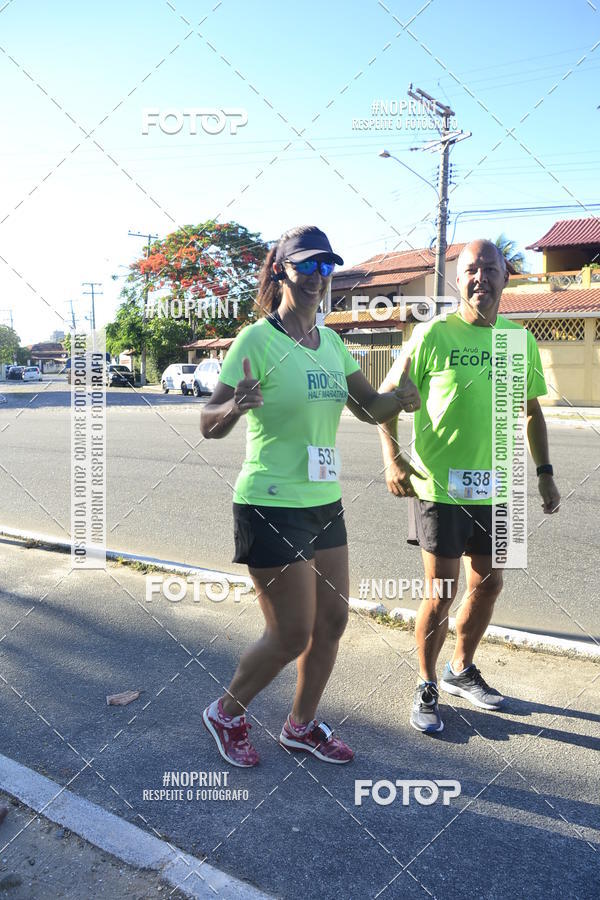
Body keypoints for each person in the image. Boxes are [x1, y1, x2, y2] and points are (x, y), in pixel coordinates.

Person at [200, 225, 421, 766]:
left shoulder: (333, 344)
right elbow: (208, 422)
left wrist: (401, 399)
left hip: (323, 501)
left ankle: (299, 726)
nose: (320, 276)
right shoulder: (257, 340)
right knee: (291, 632)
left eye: (327, 267)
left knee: (332, 622)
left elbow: (367, 407)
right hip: (270, 502)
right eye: (309, 265)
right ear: (282, 270)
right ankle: (226, 711)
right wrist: (233, 409)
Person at [378, 239, 560, 734]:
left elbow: (531, 411)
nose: (481, 277)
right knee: (441, 590)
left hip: (504, 486)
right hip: (441, 487)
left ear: (507, 276)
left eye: (491, 268)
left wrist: (544, 473)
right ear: (458, 280)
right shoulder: (433, 333)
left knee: (492, 582)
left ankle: (461, 669)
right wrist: (393, 457)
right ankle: (426, 682)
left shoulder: (518, 339)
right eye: (471, 270)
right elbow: (389, 400)